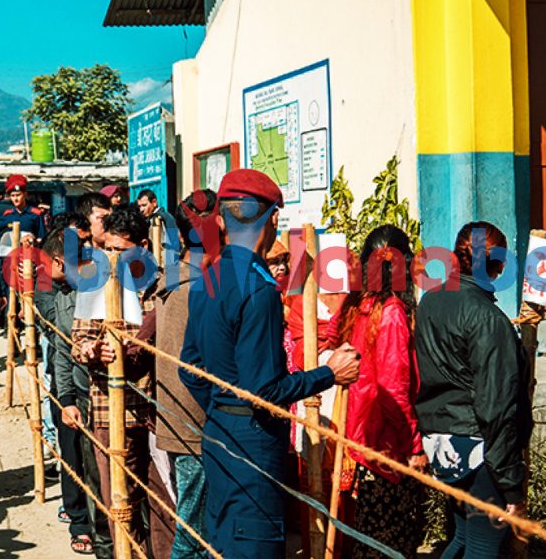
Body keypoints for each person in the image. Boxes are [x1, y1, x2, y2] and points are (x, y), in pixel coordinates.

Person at [179, 169, 361, 558]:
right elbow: (263, 391)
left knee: (226, 543)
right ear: (273, 219)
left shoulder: (207, 279)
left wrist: (220, 404)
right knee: (254, 543)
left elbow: (188, 367)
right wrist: (329, 374)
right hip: (252, 441)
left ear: (222, 219)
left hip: (218, 430)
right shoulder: (259, 290)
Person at [415, 221, 532, 558]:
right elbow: (496, 407)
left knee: (463, 537)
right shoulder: (487, 318)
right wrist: (510, 485)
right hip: (478, 450)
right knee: (483, 546)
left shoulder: (431, 301)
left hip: (441, 441)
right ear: (499, 265)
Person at [331, 225, 426, 558]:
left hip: (362, 440)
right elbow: (394, 391)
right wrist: (414, 447)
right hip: (387, 448)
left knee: (370, 539)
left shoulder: (361, 305)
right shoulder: (392, 313)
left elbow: (331, 337)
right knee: (391, 543)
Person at [72, 205, 156, 553]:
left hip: (159, 412)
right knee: (120, 506)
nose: (113, 257)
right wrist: (93, 350)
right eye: (109, 249)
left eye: (120, 250)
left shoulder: (161, 283)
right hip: (111, 410)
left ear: (143, 247)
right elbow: (77, 343)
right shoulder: (96, 280)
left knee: (163, 506)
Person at [148, 190, 216, 559]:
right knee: (193, 534)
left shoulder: (172, 277)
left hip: (174, 418)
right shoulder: (201, 286)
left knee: (191, 521)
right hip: (196, 423)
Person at [36, 224, 108, 557]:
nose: (44, 273)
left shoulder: (105, 287)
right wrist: (65, 400)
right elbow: (61, 350)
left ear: (60, 263)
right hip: (78, 393)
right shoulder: (60, 295)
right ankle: (82, 525)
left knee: (106, 469)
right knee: (77, 460)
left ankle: (107, 532)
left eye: (46, 265)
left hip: (110, 395)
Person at [0, 174, 48, 244]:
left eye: (18, 195)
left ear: (25, 195)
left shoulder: (35, 215)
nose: (16, 199)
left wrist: (33, 240)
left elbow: (42, 237)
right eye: (13, 196)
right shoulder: (8, 215)